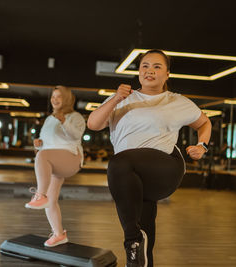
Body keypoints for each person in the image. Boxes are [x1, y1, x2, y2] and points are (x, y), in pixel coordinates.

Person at [87, 49, 211, 267]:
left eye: (157, 67)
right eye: (145, 66)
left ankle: (132, 241)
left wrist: (202, 146)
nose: (149, 71)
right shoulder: (123, 99)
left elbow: (204, 122)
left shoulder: (177, 101)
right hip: (131, 173)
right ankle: (139, 255)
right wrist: (116, 98)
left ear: (167, 75)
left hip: (165, 168)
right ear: (139, 72)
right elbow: (93, 124)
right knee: (143, 221)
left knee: (118, 162)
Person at [25, 85, 85, 247]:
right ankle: (59, 234)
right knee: (51, 200)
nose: (55, 99)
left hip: (71, 158)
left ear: (66, 99)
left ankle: (40, 195)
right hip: (54, 160)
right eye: (53, 97)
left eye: (59, 96)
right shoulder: (49, 119)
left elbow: (76, 136)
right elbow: (48, 143)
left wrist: (64, 121)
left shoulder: (75, 116)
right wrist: (39, 144)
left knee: (42, 156)